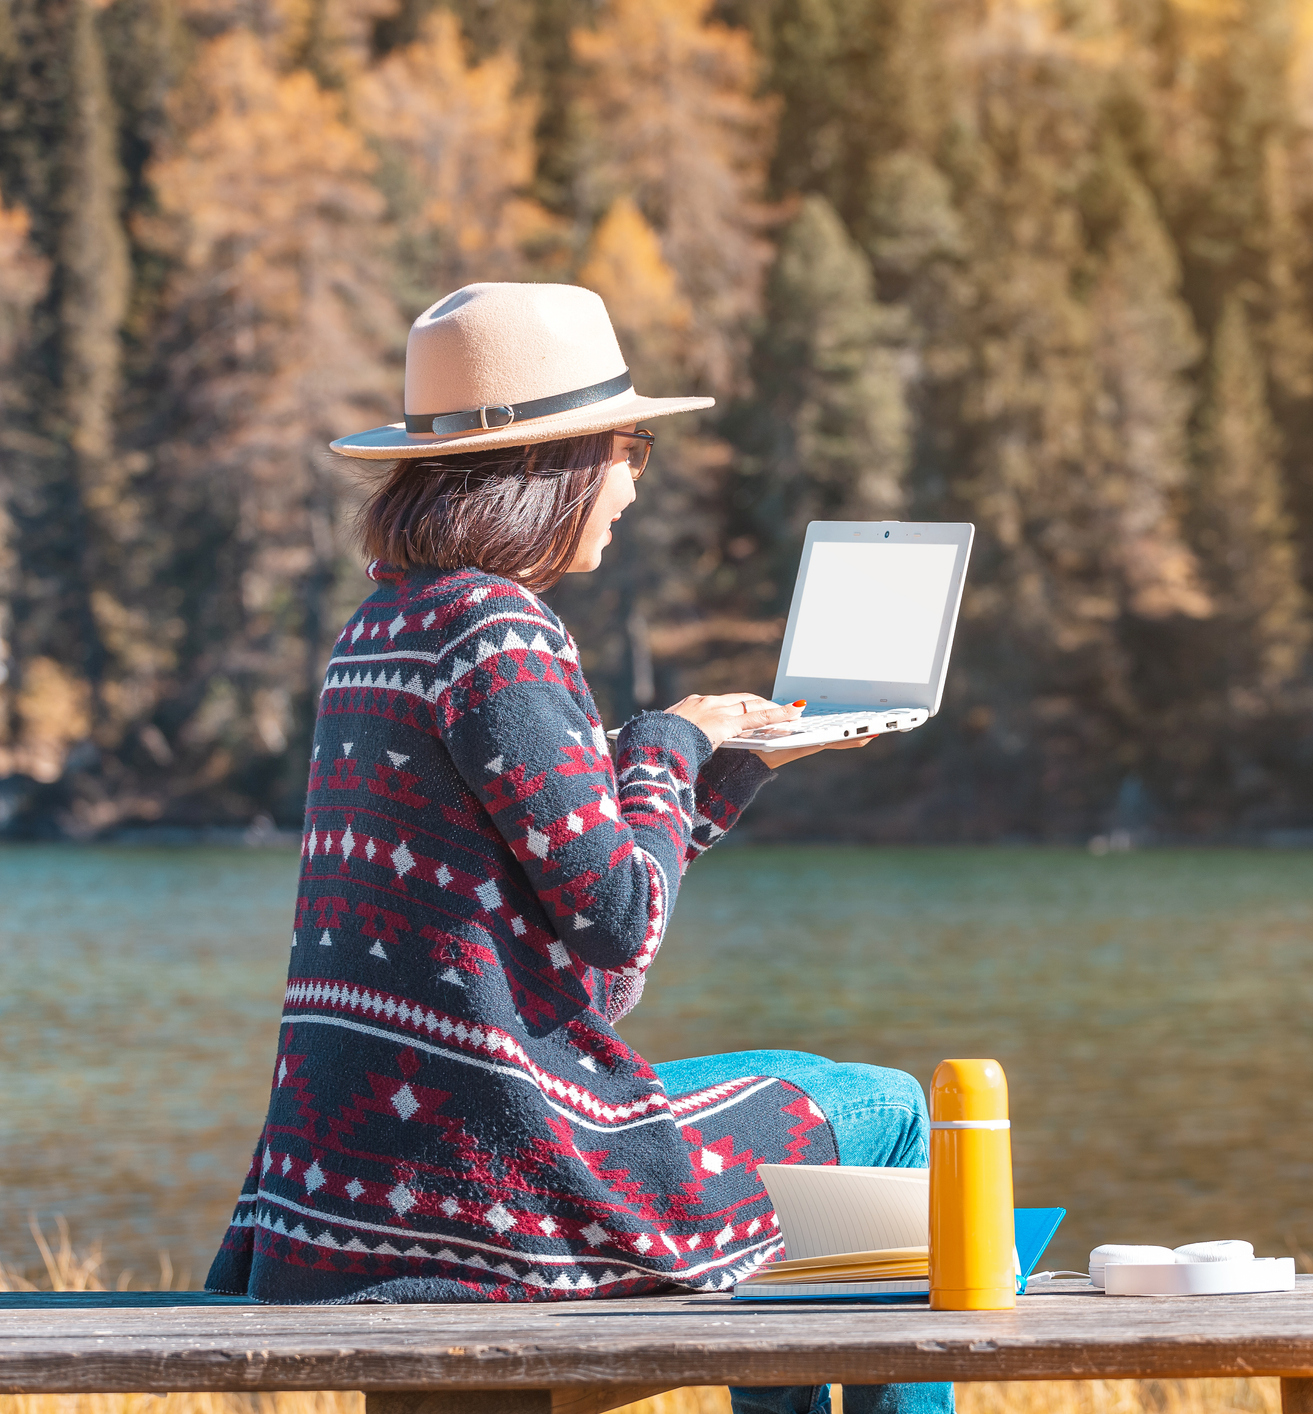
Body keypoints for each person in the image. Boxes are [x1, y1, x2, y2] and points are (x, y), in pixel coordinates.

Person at [204, 282, 950, 1414]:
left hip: (353, 1191)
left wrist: (724, 767)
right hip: (490, 1180)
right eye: (630, 450)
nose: (636, 482)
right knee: (884, 1110)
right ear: (556, 466)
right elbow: (621, 924)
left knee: (806, 1115)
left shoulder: (384, 628)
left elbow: (588, 967)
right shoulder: (498, 632)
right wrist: (667, 742)